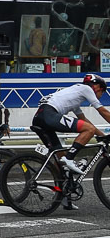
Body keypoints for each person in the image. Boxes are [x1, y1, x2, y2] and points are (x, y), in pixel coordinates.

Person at [33, 74, 110, 205]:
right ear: (97, 87)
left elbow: (84, 120)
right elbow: (102, 111)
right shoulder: (86, 89)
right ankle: (69, 158)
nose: (101, 94)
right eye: (103, 91)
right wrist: (94, 132)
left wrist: (101, 135)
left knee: (62, 163)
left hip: (39, 118)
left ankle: (63, 197)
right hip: (49, 114)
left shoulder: (75, 95)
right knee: (87, 131)